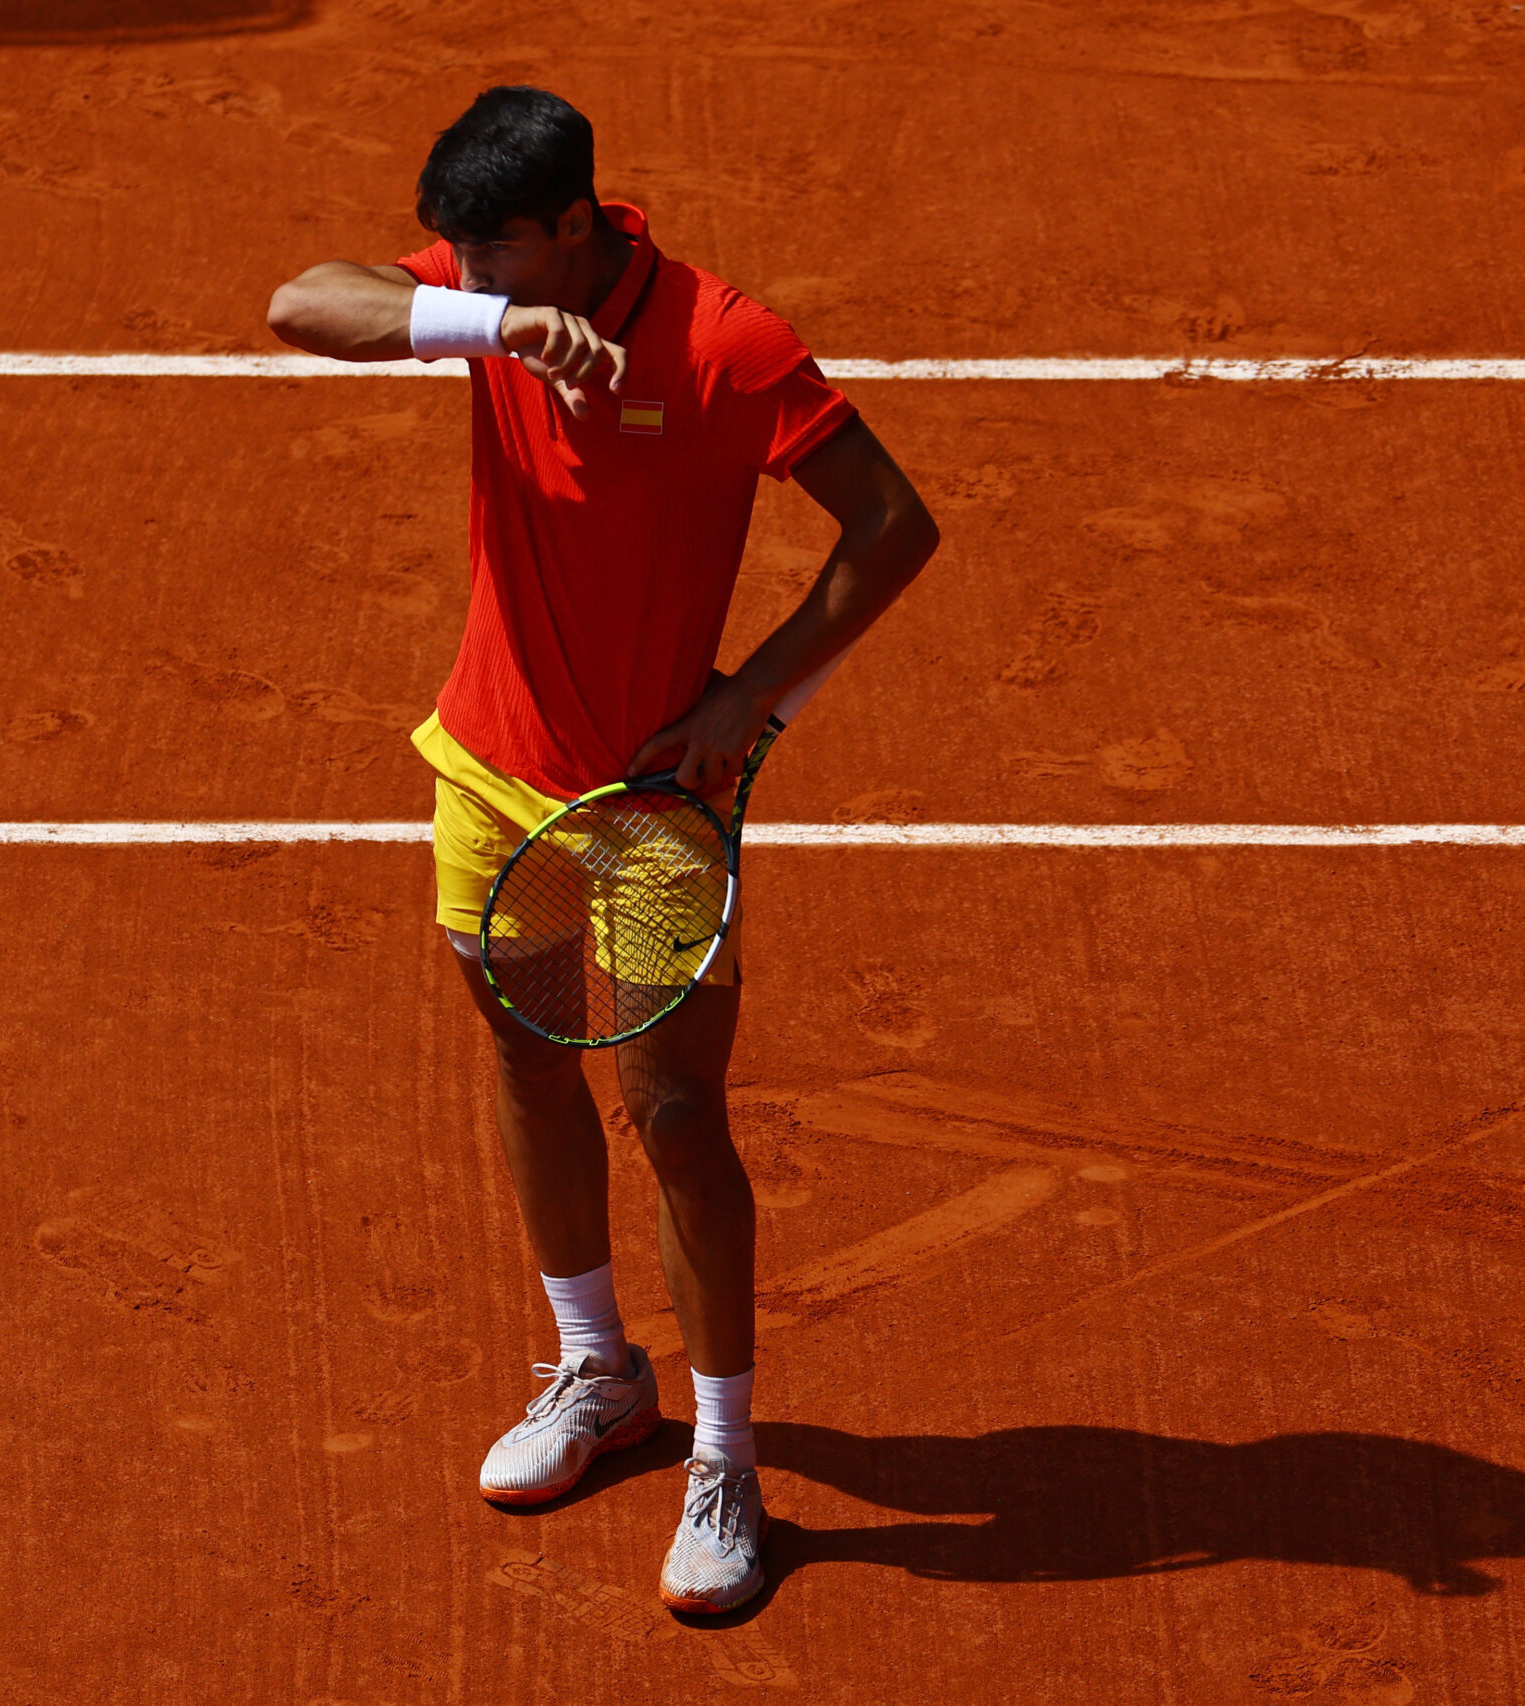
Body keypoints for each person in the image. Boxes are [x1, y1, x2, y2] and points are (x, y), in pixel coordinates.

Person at [266, 85, 938, 1614]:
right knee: (525, 1054)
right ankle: (594, 1370)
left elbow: (892, 524)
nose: (465, 272)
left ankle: (725, 1453)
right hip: (490, 771)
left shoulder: (727, 345)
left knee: (677, 1113)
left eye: (493, 256)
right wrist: (486, 329)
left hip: (653, 810)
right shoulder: (490, 297)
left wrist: (750, 701)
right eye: (457, 256)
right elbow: (302, 301)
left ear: (577, 222)